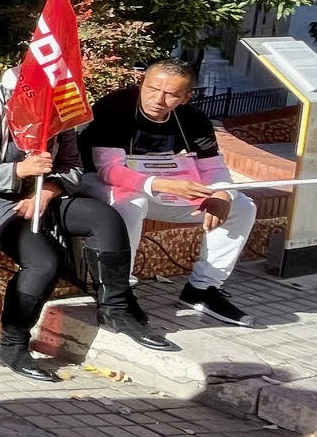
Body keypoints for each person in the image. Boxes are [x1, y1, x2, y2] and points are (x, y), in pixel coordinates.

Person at [0, 71, 168, 382]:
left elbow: (72, 167)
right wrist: (20, 169)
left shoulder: (60, 109)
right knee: (44, 262)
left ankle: (115, 308)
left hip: (46, 193)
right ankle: (11, 345)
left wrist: (46, 191)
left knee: (106, 218)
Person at [78, 60, 258, 326]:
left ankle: (202, 289)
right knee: (132, 203)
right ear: (141, 84)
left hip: (166, 185)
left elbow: (214, 169)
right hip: (102, 183)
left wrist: (222, 194)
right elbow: (109, 171)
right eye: (152, 89)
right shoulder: (115, 108)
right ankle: (120, 289)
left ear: (186, 97)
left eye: (171, 94)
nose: (158, 100)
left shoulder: (194, 120)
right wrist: (162, 184)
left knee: (243, 206)